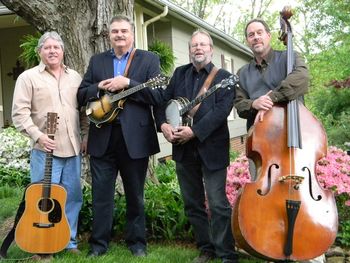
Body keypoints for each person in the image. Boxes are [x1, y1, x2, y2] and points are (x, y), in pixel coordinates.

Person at [234, 19, 325, 263]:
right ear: (247, 40)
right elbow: (239, 104)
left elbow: (302, 80)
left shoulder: (290, 57)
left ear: (269, 35)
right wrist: (253, 103)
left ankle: (312, 248)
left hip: (297, 144)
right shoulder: (243, 73)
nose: (256, 37)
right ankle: (270, 248)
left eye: (259, 32)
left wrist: (271, 98)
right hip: (263, 146)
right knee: (266, 200)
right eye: (251, 34)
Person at [77, 15, 162, 257]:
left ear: (132, 34)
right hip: (102, 137)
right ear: (109, 35)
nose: (119, 35)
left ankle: (137, 244)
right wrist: (99, 88)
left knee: (135, 195)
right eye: (115, 32)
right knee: (101, 196)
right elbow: (81, 95)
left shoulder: (148, 60)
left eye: (124, 31)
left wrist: (128, 83)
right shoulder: (97, 61)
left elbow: (157, 96)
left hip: (135, 140)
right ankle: (98, 246)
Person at [156, 29, 238, 263]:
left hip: (211, 149)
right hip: (183, 150)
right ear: (190, 50)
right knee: (192, 204)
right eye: (194, 45)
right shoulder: (179, 74)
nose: (198, 48)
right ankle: (206, 249)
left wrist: (194, 131)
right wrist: (163, 125)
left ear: (211, 49)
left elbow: (221, 112)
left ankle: (227, 254)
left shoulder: (223, 77)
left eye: (203, 45)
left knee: (218, 204)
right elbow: (163, 103)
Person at [11, 31, 87, 258]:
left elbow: (82, 110)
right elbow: (19, 114)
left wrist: (85, 135)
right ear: (39, 51)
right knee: (43, 200)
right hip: (45, 151)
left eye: (56, 47)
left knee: (73, 197)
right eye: (47, 47)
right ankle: (41, 245)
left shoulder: (75, 77)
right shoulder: (28, 78)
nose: (52, 51)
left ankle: (68, 241)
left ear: (63, 51)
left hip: (73, 149)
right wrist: (38, 136)